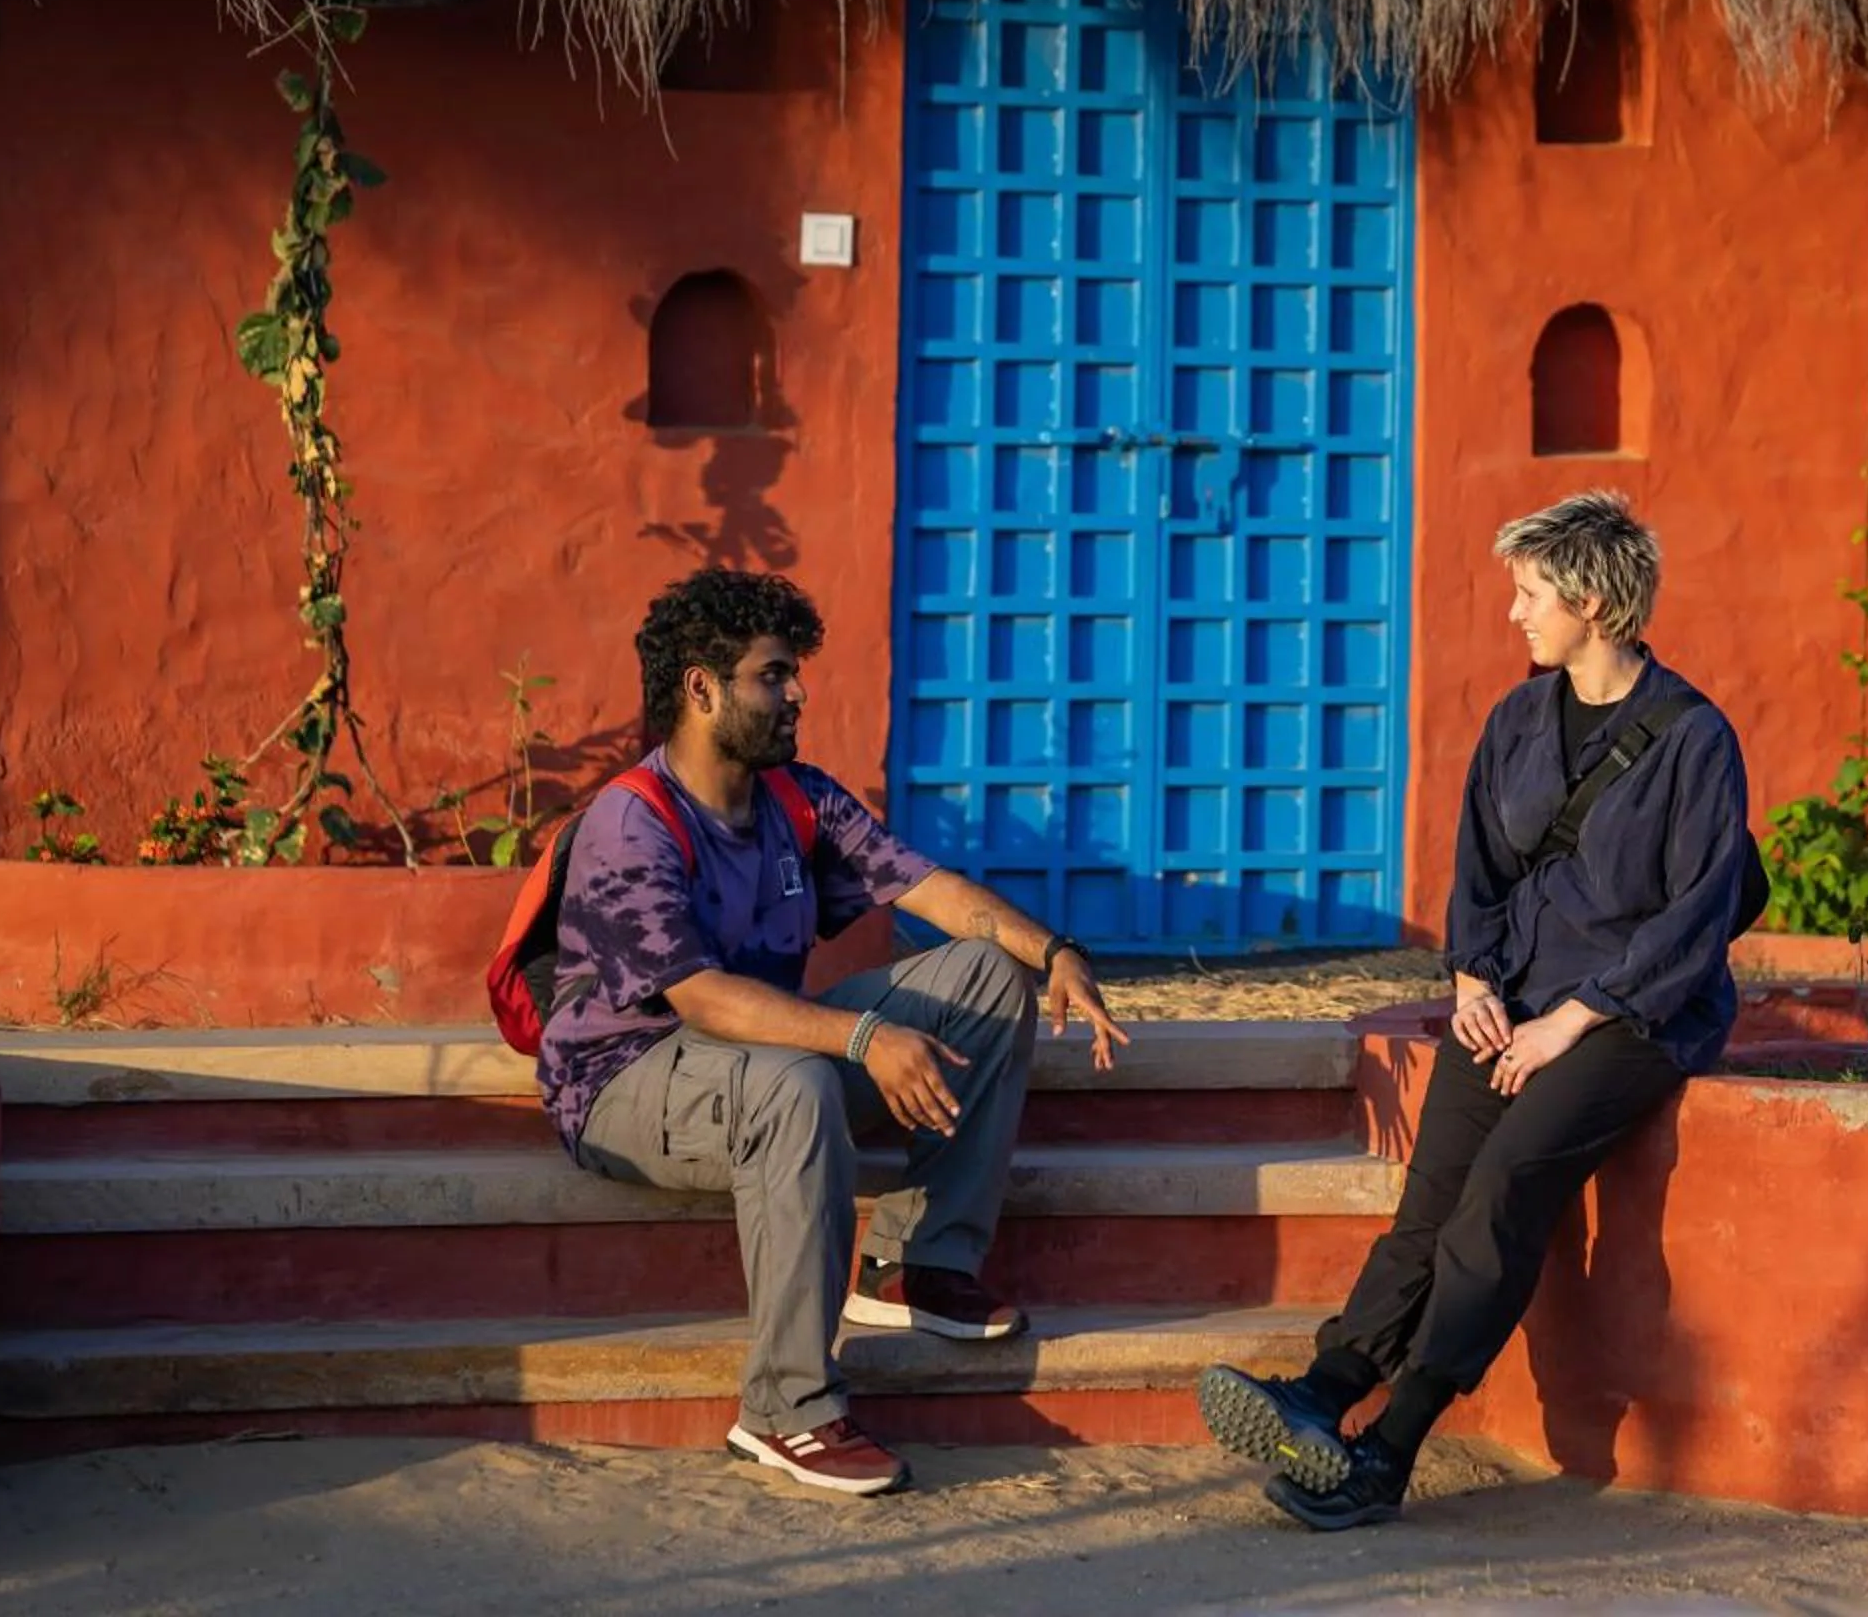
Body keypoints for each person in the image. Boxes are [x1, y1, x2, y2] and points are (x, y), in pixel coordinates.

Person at [1194, 491, 1760, 1530]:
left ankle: (1389, 1448)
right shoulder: (1516, 719)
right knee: (1433, 1198)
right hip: (1516, 998)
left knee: (1502, 1190)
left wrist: (1572, 1018)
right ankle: (1324, 1388)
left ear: (1593, 600)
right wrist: (1475, 982)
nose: (1516, 612)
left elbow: (1700, 912)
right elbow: (1483, 871)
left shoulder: (1694, 738)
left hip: (1636, 1017)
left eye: (1531, 591)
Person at [540, 567, 1131, 1498]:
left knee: (985, 973)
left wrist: (1052, 948)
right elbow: (698, 999)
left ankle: (915, 1267)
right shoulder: (633, 822)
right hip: (627, 1076)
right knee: (797, 1082)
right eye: (772, 675)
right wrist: (860, 1038)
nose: (796, 693)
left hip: (754, 1058)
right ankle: (787, 1408)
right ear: (702, 688)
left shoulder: (796, 798)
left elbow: (931, 891)